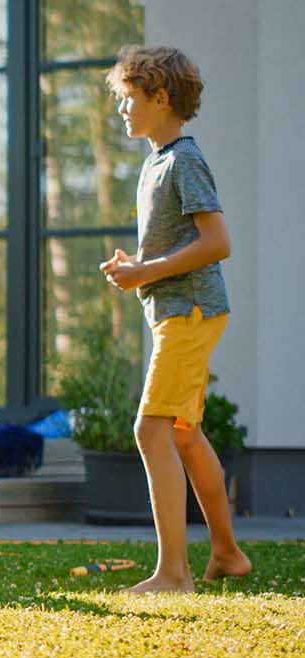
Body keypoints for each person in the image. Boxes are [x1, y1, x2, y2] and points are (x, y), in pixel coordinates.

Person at [98, 44, 251, 593]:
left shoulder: (184, 159)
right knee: (185, 435)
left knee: (150, 430)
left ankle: (173, 573)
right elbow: (184, 243)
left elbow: (217, 241)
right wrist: (140, 267)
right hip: (179, 309)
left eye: (128, 99)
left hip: (190, 310)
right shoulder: (158, 160)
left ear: (161, 98)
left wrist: (149, 272)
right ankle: (228, 555)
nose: (122, 110)